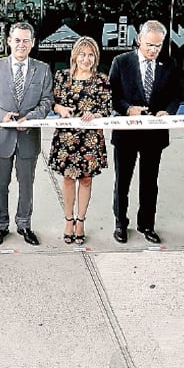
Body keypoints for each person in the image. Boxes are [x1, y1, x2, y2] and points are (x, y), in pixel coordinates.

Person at [0, 22, 53, 247]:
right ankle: (1, 225)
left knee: (26, 185)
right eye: (17, 40)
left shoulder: (42, 69)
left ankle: (24, 224)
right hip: (1, 138)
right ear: (9, 41)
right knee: (0, 185)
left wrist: (31, 118)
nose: (21, 44)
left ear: (33, 43)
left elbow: (47, 100)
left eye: (26, 40)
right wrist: (1, 116)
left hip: (28, 138)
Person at [107, 21, 182, 245]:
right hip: (126, 134)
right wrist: (128, 109)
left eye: (158, 46)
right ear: (139, 39)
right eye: (149, 45)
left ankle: (147, 224)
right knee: (122, 182)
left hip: (154, 134)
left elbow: (175, 95)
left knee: (150, 182)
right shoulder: (121, 62)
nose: (153, 50)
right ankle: (120, 224)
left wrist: (168, 111)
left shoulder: (169, 64)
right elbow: (112, 94)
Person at [49, 37, 111, 245]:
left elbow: (107, 108)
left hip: (90, 139)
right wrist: (59, 108)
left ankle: (81, 220)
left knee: (85, 179)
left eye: (91, 55)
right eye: (82, 54)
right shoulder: (61, 76)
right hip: (66, 139)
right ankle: (69, 220)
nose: (86, 59)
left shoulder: (101, 80)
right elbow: (52, 102)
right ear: (75, 56)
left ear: (96, 57)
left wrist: (95, 115)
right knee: (68, 179)